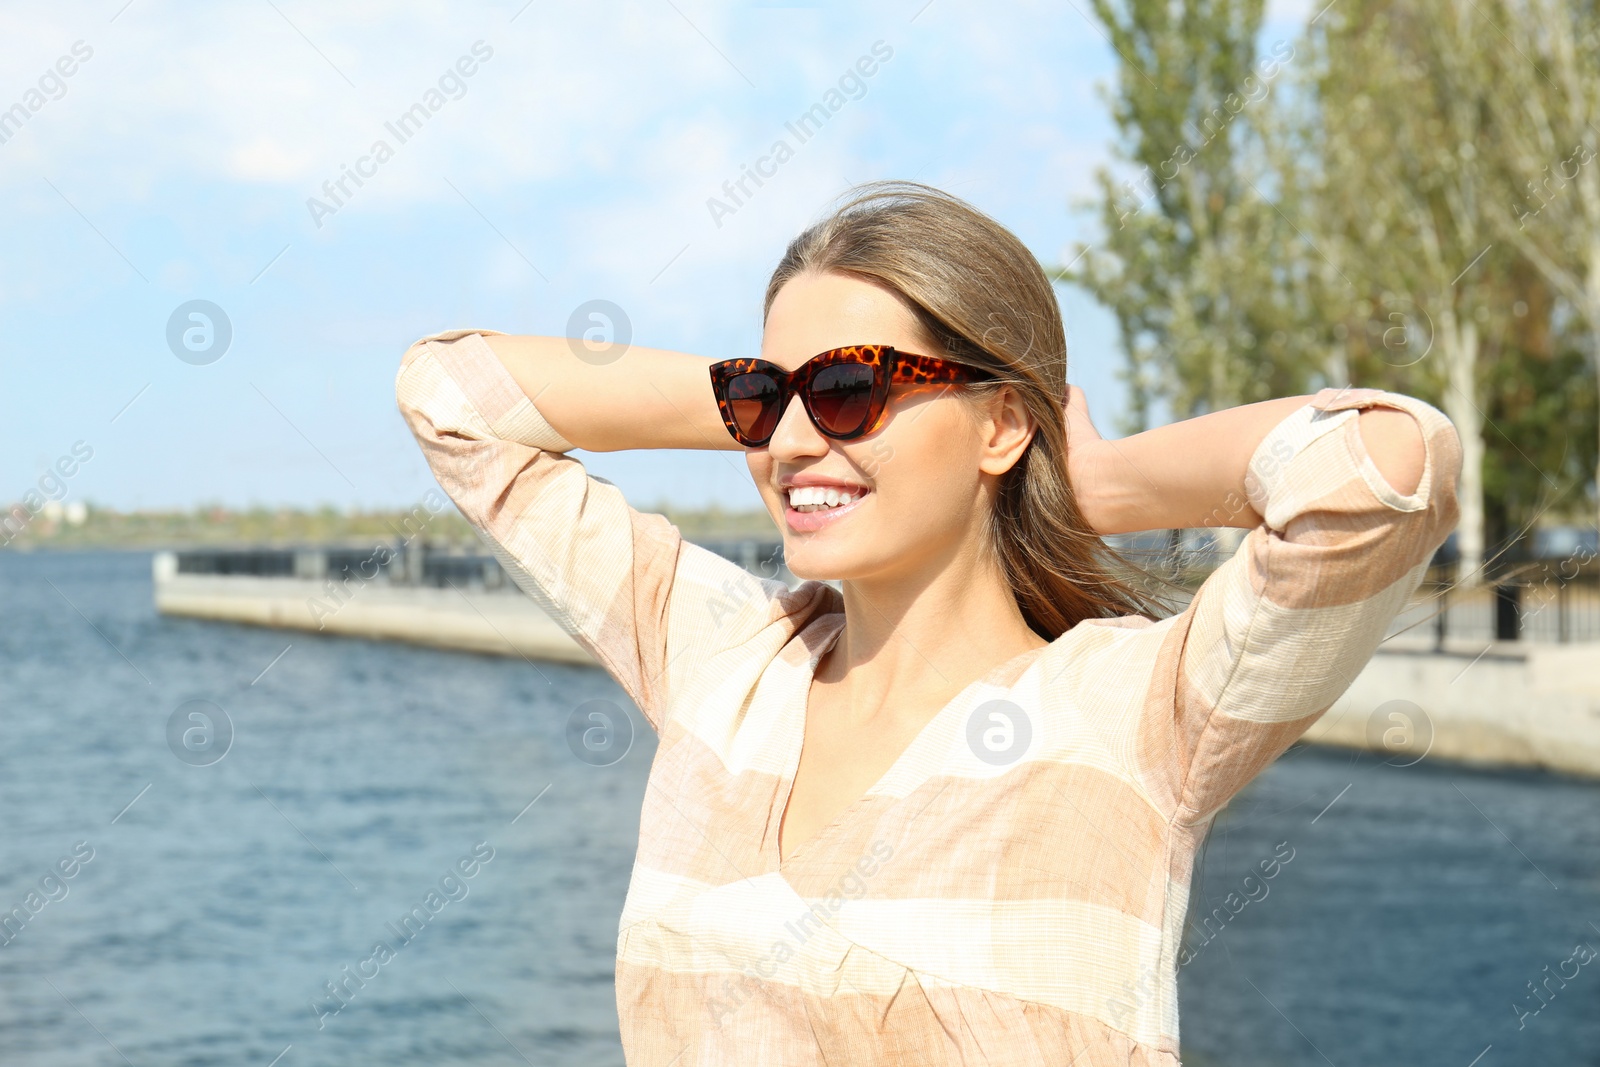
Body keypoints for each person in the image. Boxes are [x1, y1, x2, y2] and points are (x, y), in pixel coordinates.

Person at [396, 180, 1461, 1066]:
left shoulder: (1128, 712)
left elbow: (1382, 467)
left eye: (855, 384)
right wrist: (769, 400)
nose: (792, 444)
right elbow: (453, 396)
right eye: (767, 398)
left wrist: (1100, 479)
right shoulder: (724, 664)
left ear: (1000, 424)